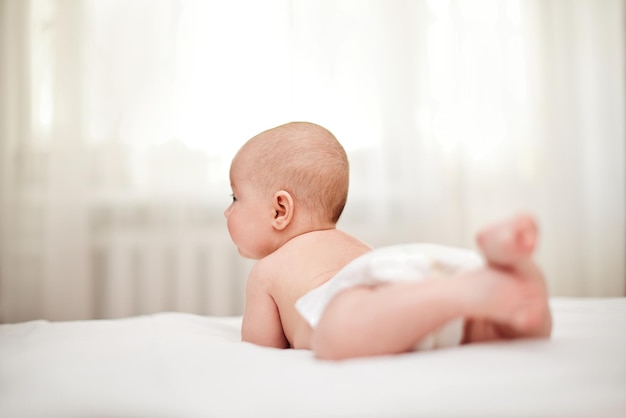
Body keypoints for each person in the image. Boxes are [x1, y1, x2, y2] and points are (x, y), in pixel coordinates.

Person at [224, 121, 552, 360]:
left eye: (235, 197)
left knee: (335, 331)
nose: (228, 211)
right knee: (473, 330)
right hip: (404, 289)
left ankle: (463, 292)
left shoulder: (267, 271)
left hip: (362, 304)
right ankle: (512, 280)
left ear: (280, 209)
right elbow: (383, 276)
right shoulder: (350, 244)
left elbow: (259, 353)